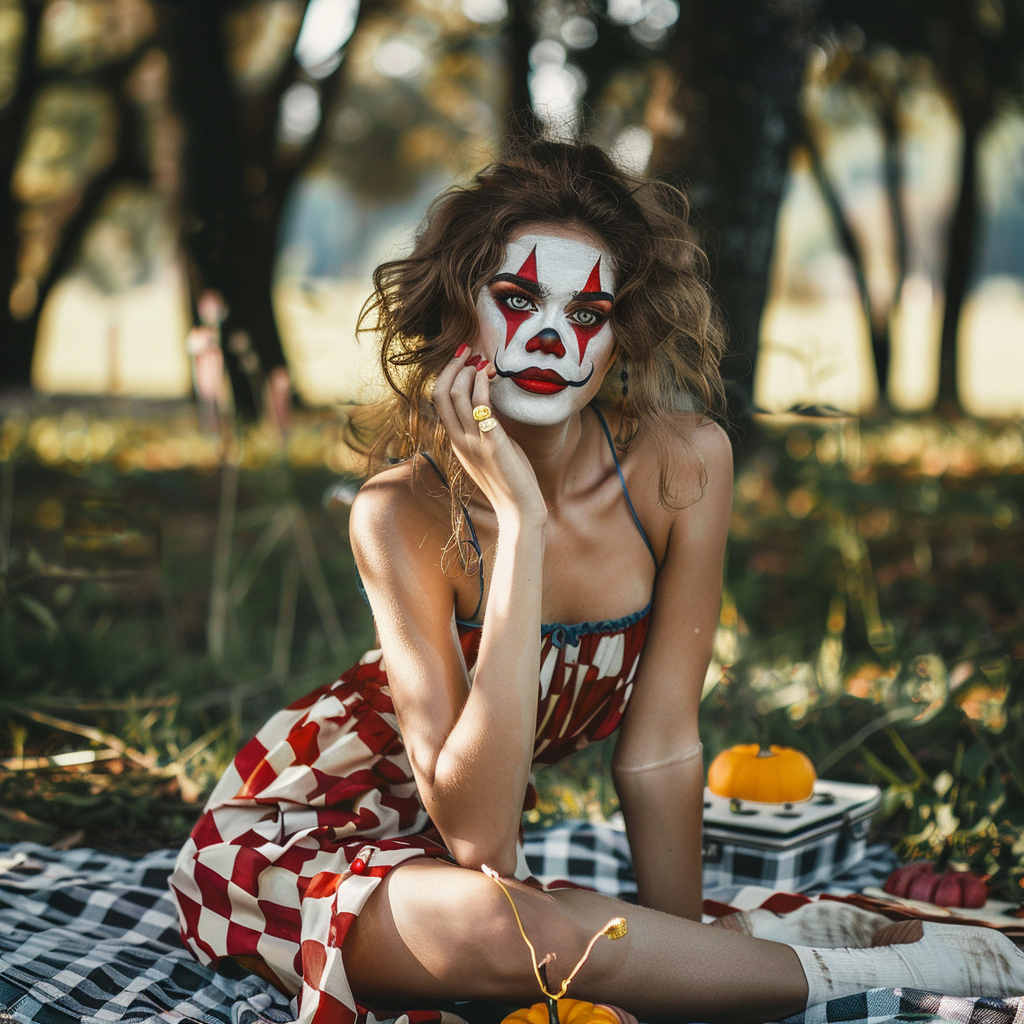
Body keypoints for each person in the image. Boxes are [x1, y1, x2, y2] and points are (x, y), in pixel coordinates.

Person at [170, 141, 1024, 1024]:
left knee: (561, 928)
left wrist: (684, 945)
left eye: (588, 311)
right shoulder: (399, 513)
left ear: (624, 336)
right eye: (516, 299)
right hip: (294, 837)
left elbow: (660, 749)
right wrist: (524, 521)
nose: (550, 336)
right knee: (509, 929)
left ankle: (763, 966)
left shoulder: (685, 466)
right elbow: (483, 837)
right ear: (460, 310)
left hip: (455, 865)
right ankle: (895, 971)